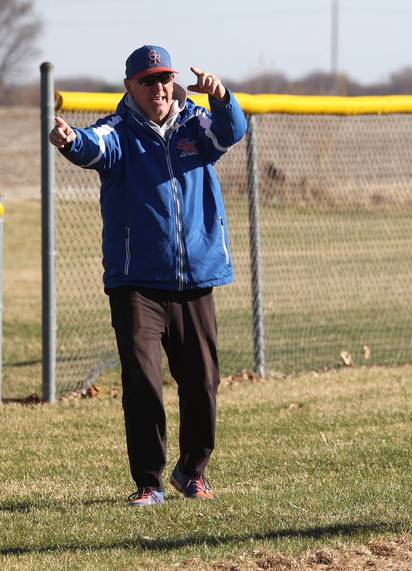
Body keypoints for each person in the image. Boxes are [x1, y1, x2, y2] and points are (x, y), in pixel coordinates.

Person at [48, 45, 247, 507]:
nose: (158, 88)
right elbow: (91, 146)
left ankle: (192, 472)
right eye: (147, 81)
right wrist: (68, 140)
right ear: (129, 87)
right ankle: (149, 483)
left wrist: (221, 97)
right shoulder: (119, 130)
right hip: (137, 283)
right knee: (142, 382)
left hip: (195, 276)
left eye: (163, 79)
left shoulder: (194, 122)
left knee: (202, 381)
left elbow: (231, 132)